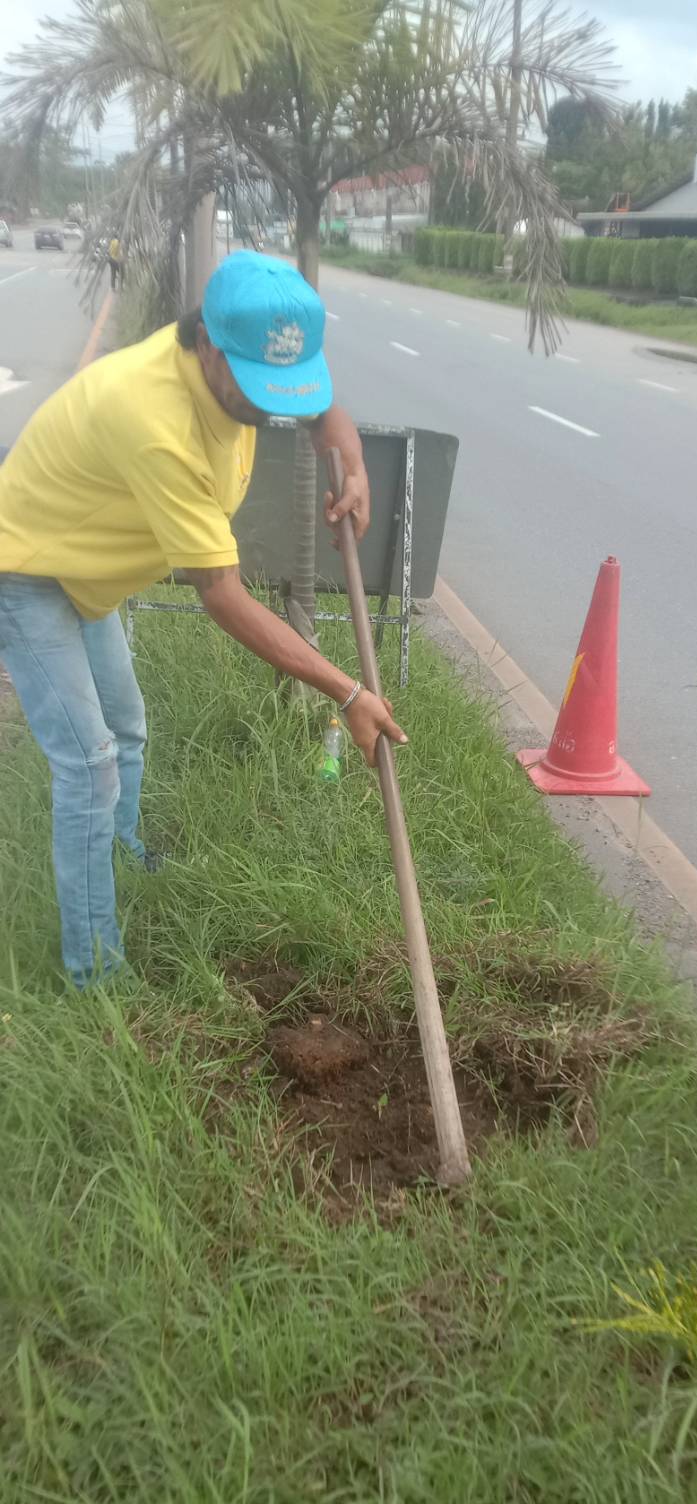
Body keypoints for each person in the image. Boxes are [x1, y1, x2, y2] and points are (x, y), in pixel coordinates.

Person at [0, 248, 405, 989]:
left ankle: (120, 854)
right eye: (257, 385)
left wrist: (352, 463)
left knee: (127, 726)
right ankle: (96, 974)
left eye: (284, 384)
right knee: (89, 763)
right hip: (27, 567)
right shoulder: (154, 419)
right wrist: (348, 692)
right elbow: (223, 595)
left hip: (89, 568)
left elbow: (322, 411)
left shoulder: (243, 365)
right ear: (209, 344)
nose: (270, 405)